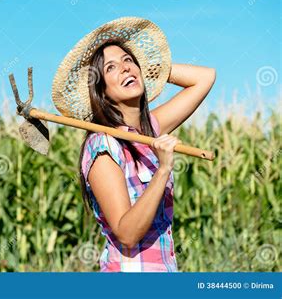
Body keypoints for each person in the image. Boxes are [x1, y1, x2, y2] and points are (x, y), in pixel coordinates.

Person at [51, 17, 216, 272]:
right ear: (101, 91)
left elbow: (205, 77)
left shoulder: (150, 129)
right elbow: (127, 234)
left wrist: (150, 67)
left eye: (128, 60)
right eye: (111, 68)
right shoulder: (103, 144)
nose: (125, 68)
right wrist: (162, 170)